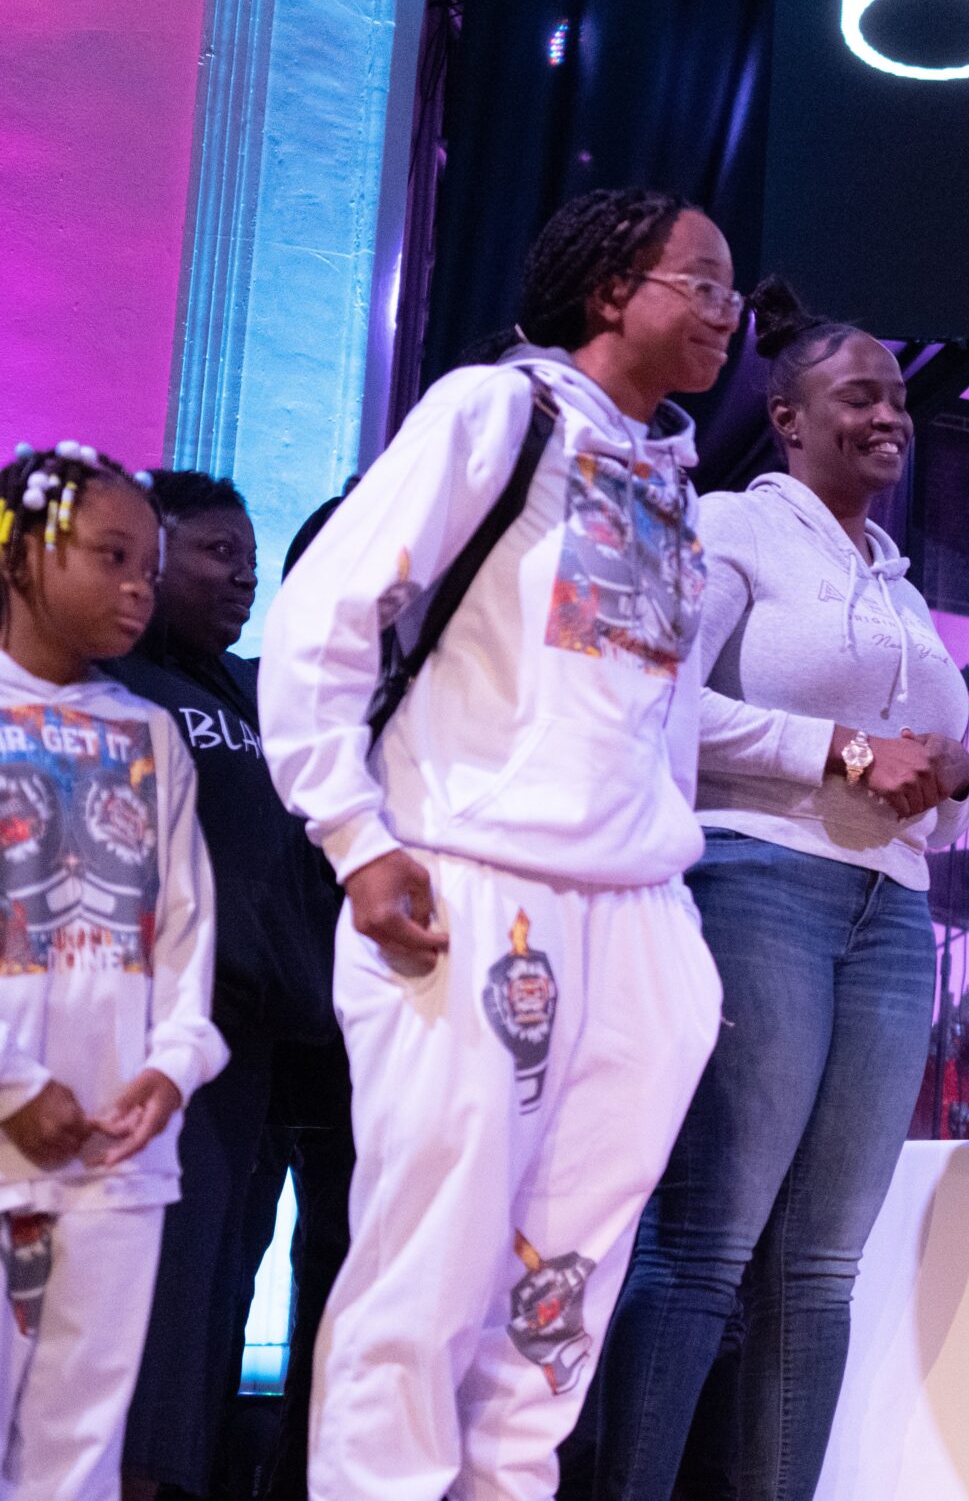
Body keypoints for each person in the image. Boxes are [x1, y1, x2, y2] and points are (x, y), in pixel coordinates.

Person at [258, 189, 736, 1501]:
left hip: (636, 910)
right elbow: (322, 618)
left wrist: (676, 931)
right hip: (472, 874)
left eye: (732, 289)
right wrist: (356, 836)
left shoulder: (676, 486)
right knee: (433, 1257)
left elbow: (662, 722)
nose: (726, 310)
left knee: (559, 1286)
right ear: (606, 291)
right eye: (698, 280)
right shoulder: (497, 413)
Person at [578, 279, 969, 1501]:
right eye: (861, 395)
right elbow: (658, 701)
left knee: (820, 1267)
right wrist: (839, 751)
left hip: (891, 912)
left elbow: (938, 784)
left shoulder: (901, 589)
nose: (890, 417)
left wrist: (953, 776)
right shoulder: (727, 531)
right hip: (760, 885)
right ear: (789, 415)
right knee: (705, 1245)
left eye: (900, 399)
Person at [113, 472, 352, 1501]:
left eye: (249, 559)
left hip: (248, 1042)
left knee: (208, 1306)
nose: (241, 575)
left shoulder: (252, 696)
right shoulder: (108, 684)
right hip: (135, 1030)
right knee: (134, 1308)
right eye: (215, 553)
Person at [0, 442, 227, 1500]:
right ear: (21, 555)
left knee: (80, 1441)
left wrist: (172, 1068)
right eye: (111, 557)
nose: (138, 587)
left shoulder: (150, 733)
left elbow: (183, 930)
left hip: (115, 1148)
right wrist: (12, 1085)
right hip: (9, 1133)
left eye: (149, 564)